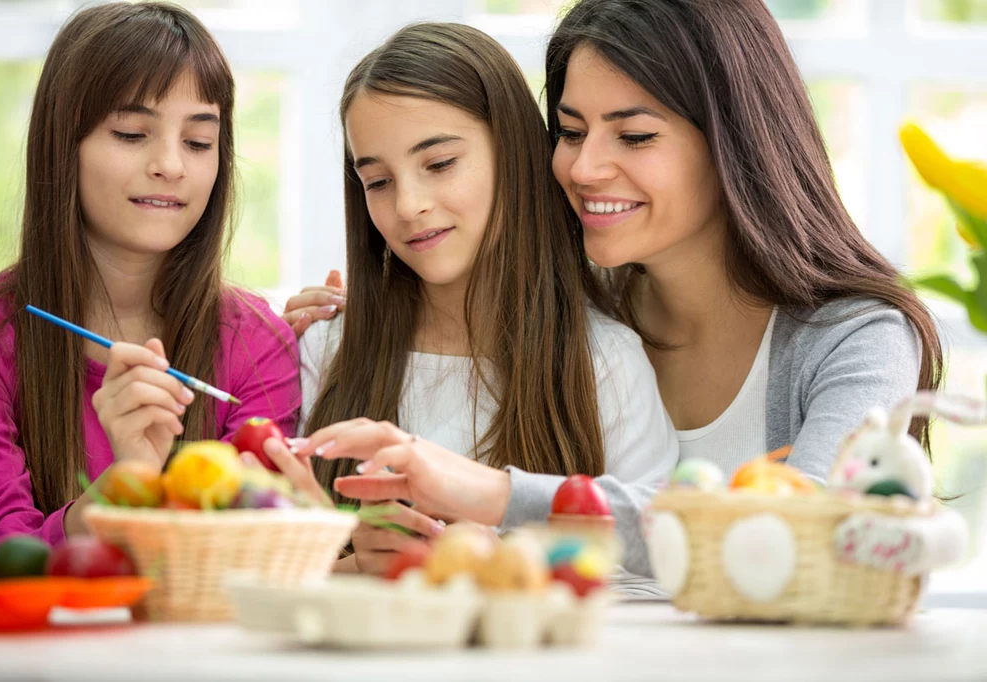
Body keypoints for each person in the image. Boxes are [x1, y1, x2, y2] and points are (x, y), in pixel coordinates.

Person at [283, 0, 942, 579]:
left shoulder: (858, 339)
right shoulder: (565, 308)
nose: (583, 167)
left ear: (733, 141)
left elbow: (802, 532)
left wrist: (489, 493)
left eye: (634, 135)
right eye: (569, 132)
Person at [266, 23, 677, 580]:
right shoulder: (327, 347)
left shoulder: (606, 362)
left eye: (439, 165)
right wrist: (348, 563)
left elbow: (657, 567)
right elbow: (262, 560)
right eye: (378, 181)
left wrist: (501, 558)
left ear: (514, 155)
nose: (409, 205)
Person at [0, 1, 301, 545]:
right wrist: (121, 489)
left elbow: (248, 556)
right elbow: (0, 559)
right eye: (130, 133)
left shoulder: (259, 342)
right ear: (60, 145)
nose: (171, 164)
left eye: (198, 142)